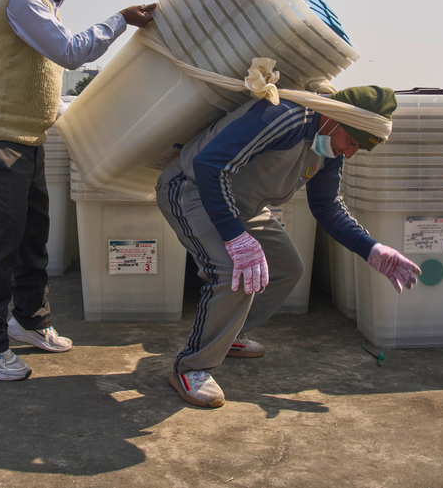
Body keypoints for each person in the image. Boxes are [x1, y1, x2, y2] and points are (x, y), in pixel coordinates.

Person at [0, 0, 157, 381]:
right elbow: (70, 53)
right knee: (1, 246)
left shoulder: (42, 1)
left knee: (32, 241)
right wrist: (121, 19)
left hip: (23, 140)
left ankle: (29, 321)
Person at [156, 85, 422, 408]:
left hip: (241, 206)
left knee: (287, 266)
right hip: (191, 190)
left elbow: (327, 207)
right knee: (231, 271)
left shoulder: (328, 150)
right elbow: (209, 165)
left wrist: (371, 249)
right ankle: (191, 367)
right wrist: (236, 238)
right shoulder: (285, 117)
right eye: (352, 142)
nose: (350, 152)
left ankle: (226, 336)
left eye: (358, 149)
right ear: (336, 119)